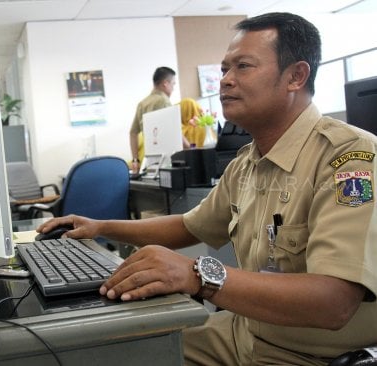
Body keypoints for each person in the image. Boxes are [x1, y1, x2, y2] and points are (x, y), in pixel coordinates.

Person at [37, 12, 377, 365]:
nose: (225, 80)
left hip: (306, 356)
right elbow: (189, 225)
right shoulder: (247, 163)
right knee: (113, 349)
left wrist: (197, 274)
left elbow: (334, 302)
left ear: (295, 76)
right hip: (242, 332)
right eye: (225, 68)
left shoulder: (349, 159)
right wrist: (100, 227)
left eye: (243, 67)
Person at [129, 66, 176, 173]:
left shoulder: (142, 104)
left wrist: (135, 160)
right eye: (173, 84)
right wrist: (190, 147)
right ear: (165, 83)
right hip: (166, 160)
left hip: (149, 160)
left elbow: (133, 133)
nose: (173, 88)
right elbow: (175, 131)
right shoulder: (164, 101)